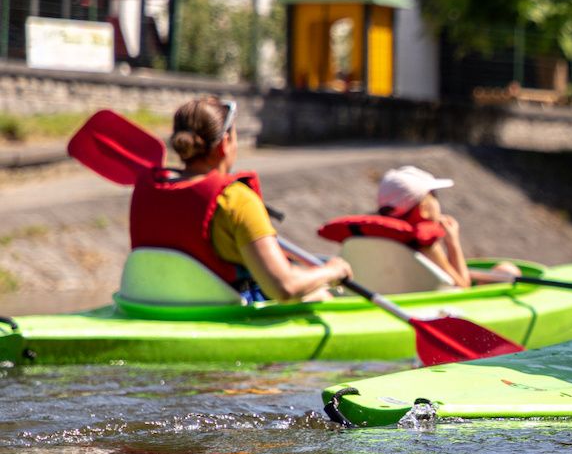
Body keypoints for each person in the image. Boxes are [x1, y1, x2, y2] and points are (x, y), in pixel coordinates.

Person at [129, 96, 351, 301]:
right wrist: (332, 270)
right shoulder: (235, 200)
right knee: (320, 295)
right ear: (225, 142)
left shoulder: (148, 187)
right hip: (223, 313)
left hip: (158, 305)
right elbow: (284, 287)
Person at [373, 165, 521, 287]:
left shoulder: (372, 236)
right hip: (434, 311)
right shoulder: (425, 244)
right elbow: (462, 287)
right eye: (434, 196)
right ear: (424, 208)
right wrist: (452, 243)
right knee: (507, 270)